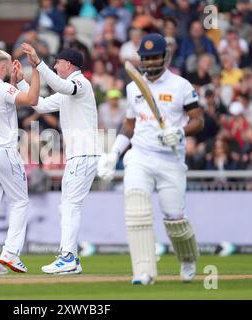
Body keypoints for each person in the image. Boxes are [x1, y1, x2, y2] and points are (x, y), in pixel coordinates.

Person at [97, 33, 204, 284]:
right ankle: (143, 271)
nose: (150, 62)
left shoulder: (181, 86)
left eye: (155, 57)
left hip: (170, 160)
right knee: (136, 208)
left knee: (175, 220)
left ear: (165, 57)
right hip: (141, 155)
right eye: (146, 58)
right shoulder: (133, 86)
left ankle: (188, 259)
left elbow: (199, 121)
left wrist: (179, 132)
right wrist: (114, 153)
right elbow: (130, 124)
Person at [20, 44, 101, 274]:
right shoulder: (67, 91)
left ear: (68, 64)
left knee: (70, 206)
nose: (55, 66)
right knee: (66, 207)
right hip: (78, 155)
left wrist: (38, 63)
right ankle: (71, 257)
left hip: (84, 153)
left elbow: (59, 85)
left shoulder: (80, 84)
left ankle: (68, 258)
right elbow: (41, 104)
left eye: (58, 63)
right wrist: (20, 83)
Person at [0, 50, 40, 274]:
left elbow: (4, 103)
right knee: (20, 202)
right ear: (3, 68)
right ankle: (10, 253)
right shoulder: (2, 89)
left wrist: (12, 81)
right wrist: (36, 71)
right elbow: (31, 100)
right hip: (3, 150)